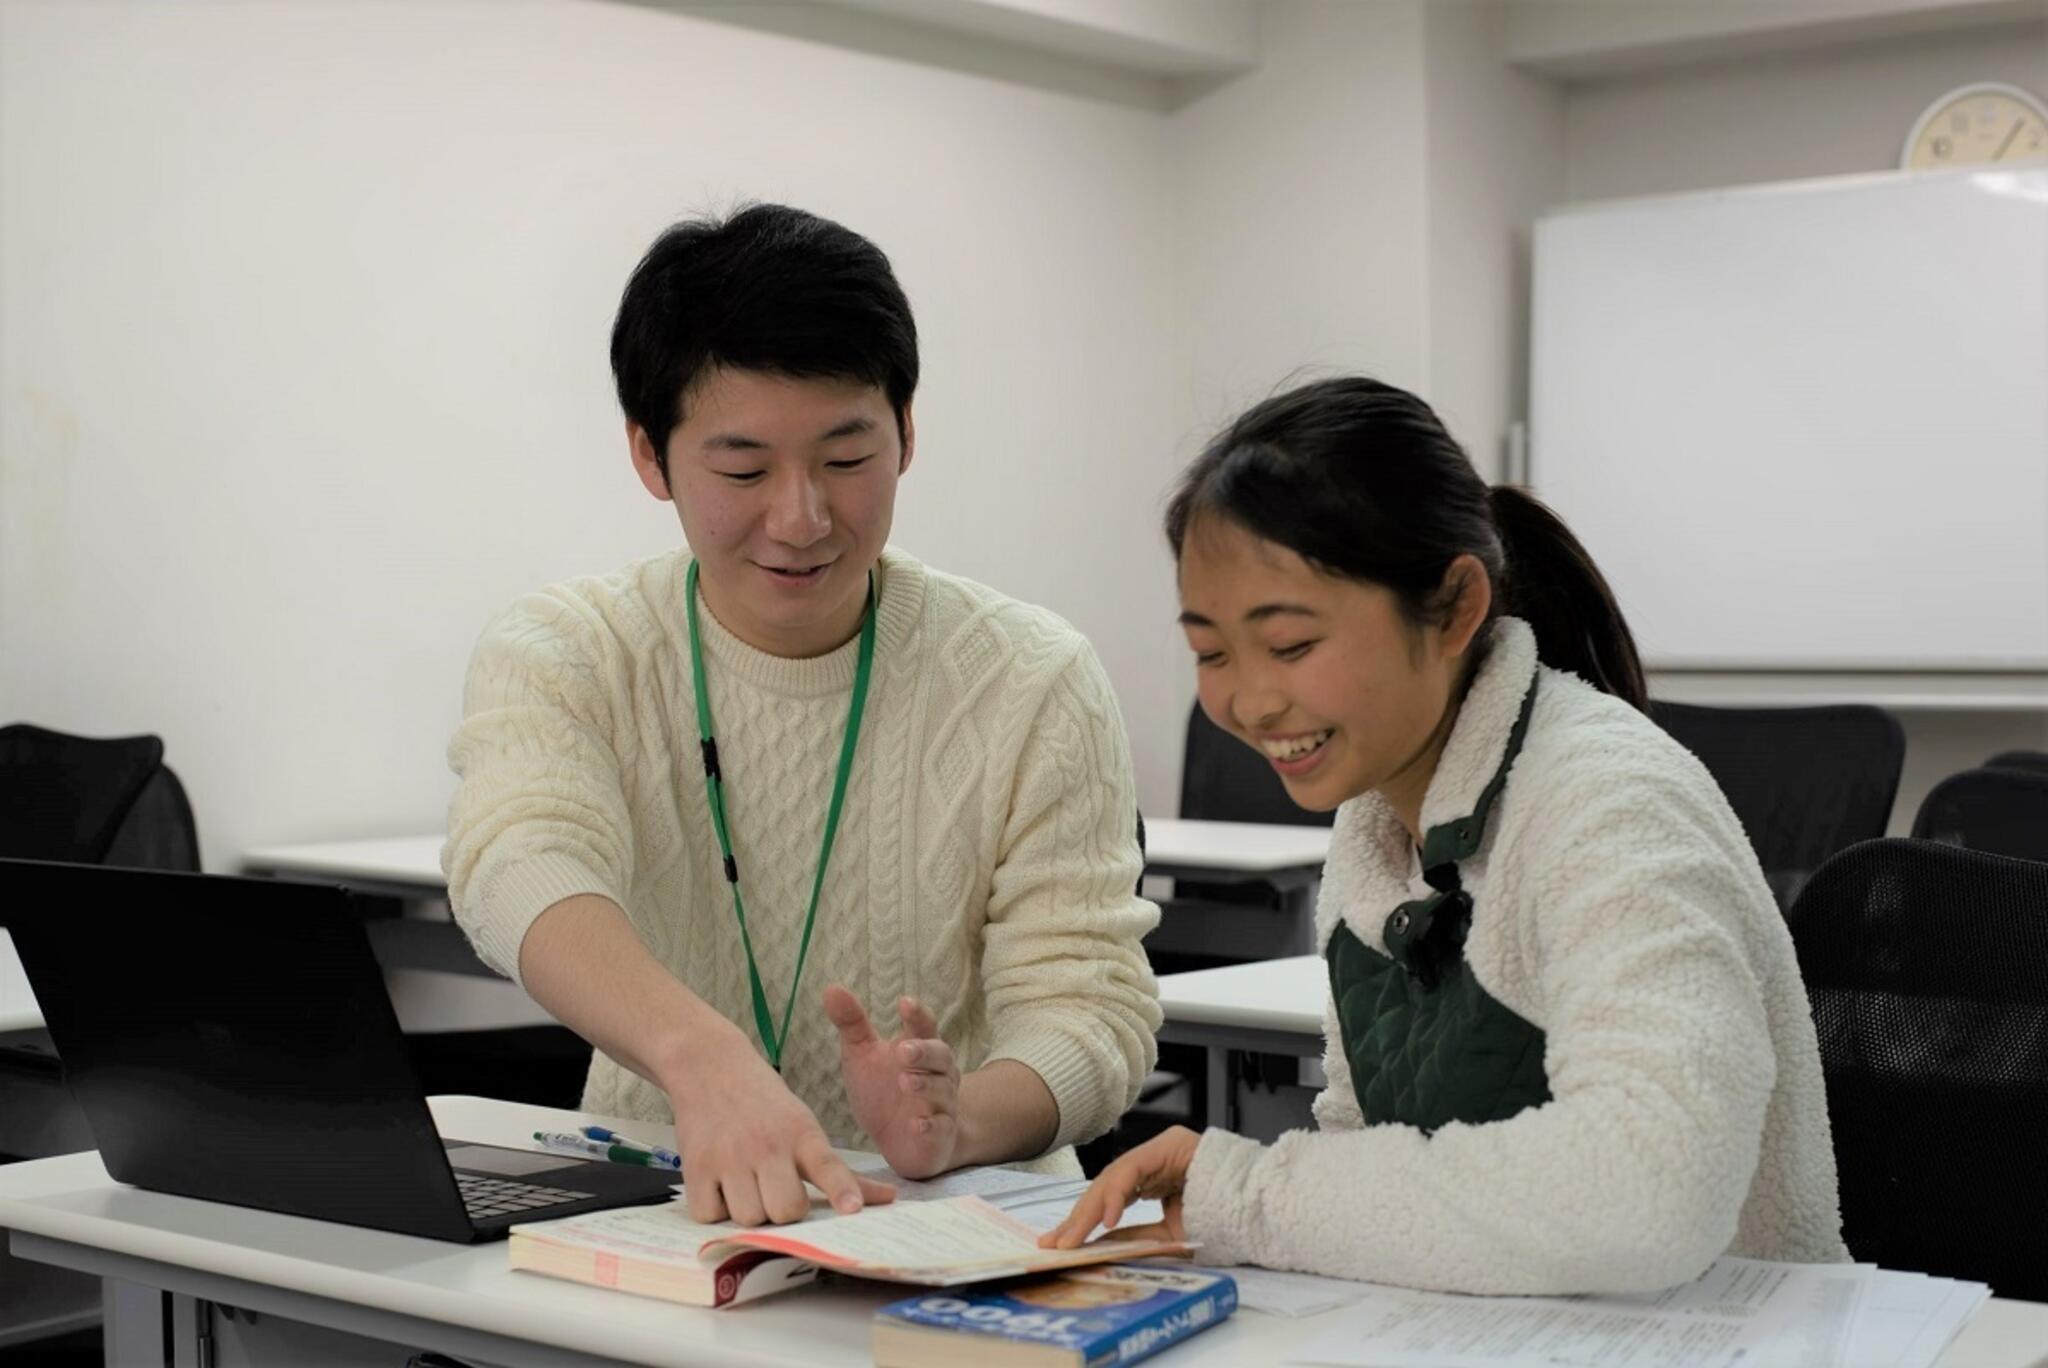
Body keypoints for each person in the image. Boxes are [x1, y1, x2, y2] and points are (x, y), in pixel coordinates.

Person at [1042, 376, 1847, 1294]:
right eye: (1213, 653)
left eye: (1292, 645)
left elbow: (1653, 1189)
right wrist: (1244, 1206)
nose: (1251, 700)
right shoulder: (1373, 822)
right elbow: (1371, 1150)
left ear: (1457, 606)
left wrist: (1255, 1194)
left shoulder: (1610, 801)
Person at [444, 203, 1160, 1228]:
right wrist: (703, 1060)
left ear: (906, 433)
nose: (801, 516)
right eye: (742, 469)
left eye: (844, 457)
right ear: (650, 457)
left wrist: (956, 1124)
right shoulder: (569, 654)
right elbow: (517, 864)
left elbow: (1090, 1004)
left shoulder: (1030, 676)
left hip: (956, 1227)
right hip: (672, 1207)